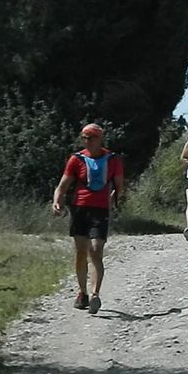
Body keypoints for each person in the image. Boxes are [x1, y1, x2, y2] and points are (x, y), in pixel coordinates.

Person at [52, 123, 124, 314]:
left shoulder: (113, 160)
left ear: (100, 138)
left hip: (100, 210)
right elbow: (62, 186)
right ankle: (82, 292)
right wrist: (57, 201)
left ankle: (95, 294)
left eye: (90, 137)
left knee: (96, 250)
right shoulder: (77, 159)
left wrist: (115, 198)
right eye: (84, 137)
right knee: (81, 251)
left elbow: (119, 185)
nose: (87, 141)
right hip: (79, 209)